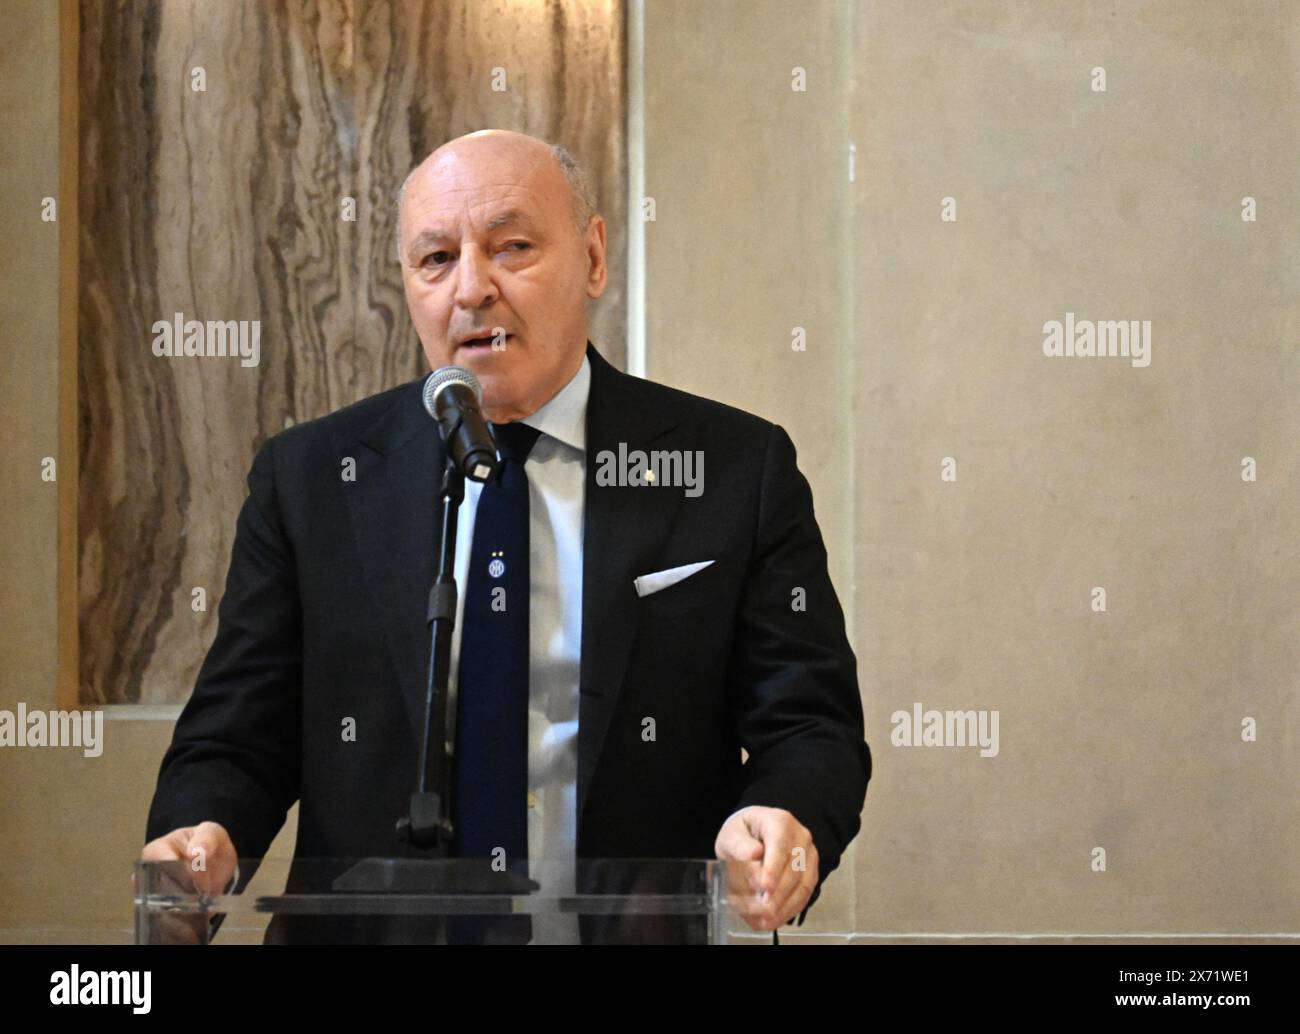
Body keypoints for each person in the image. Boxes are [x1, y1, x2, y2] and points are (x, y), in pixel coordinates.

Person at [143, 129, 871, 944]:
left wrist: (782, 817)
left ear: (593, 258)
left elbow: (809, 725)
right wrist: (200, 835)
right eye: (435, 260)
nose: (471, 289)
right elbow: (239, 735)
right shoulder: (312, 478)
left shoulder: (730, 468)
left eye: (511, 247)